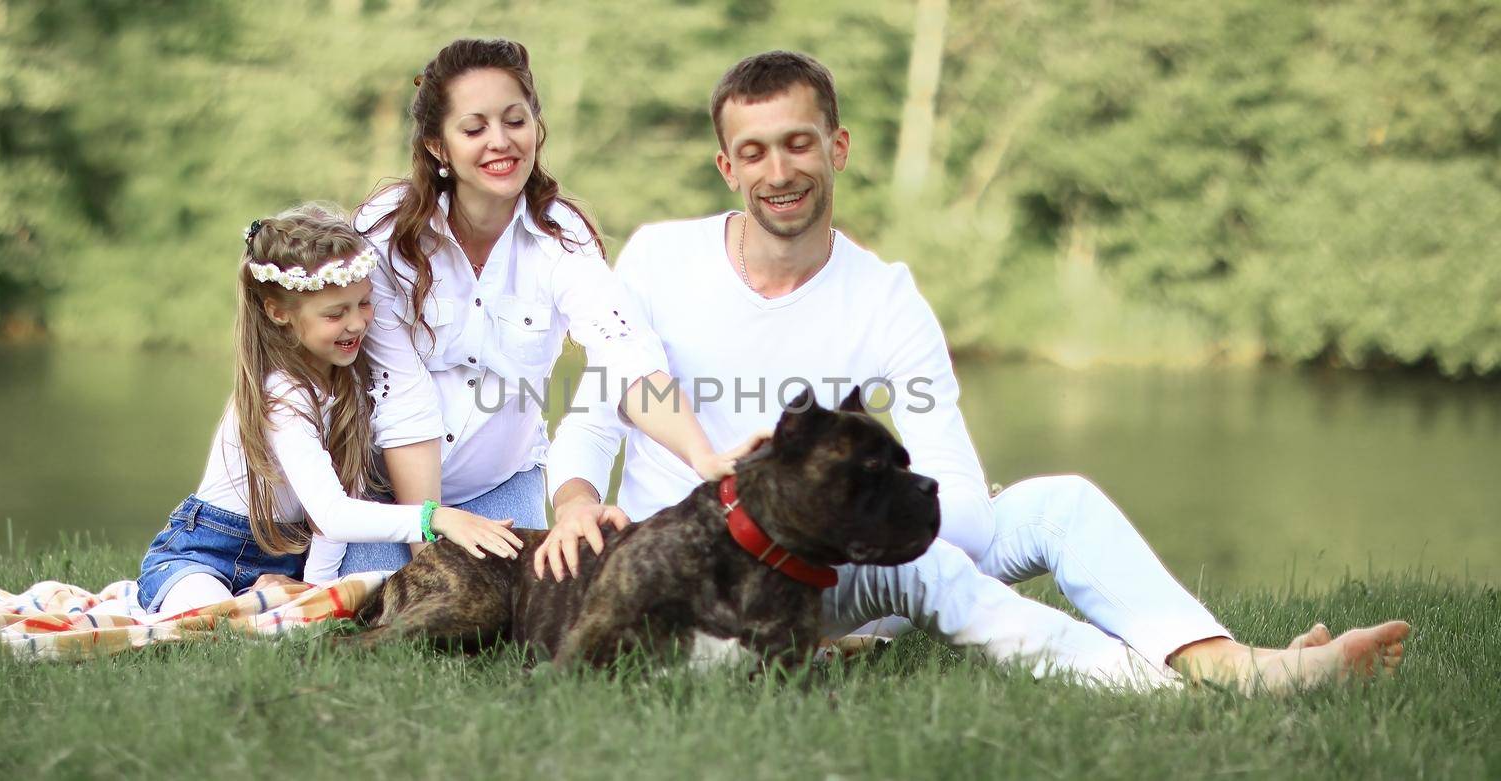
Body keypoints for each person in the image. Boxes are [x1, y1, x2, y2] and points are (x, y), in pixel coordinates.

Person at [538, 51, 1410, 693]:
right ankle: (1179, 692)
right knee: (935, 572)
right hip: (691, 564)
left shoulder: (885, 295)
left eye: (799, 143)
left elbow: (951, 485)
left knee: (1052, 505)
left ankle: (1227, 662)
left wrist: (867, 524)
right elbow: (592, 415)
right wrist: (575, 499)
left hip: (828, 566)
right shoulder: (658, 259)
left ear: (837, 147)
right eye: (755, 151)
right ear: (726, 166)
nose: (780, 171)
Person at [309, 38, 750, 581]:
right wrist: (429, 551)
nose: (500, 142)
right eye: (474, 129)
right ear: (438, 147)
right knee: (371, 603)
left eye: (515, 121)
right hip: (388, 497)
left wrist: (703, 458)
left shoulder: (561, 238)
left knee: (509, 627)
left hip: (504, 488)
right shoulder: (386, 234)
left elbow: (626, 354)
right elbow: (402, 397)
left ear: (536, 127)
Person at [136, 204, 511, 616]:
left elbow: (330, 510)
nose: (356, 324)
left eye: (364, 304)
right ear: (278, 312)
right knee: (209, 619)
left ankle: (262, 604)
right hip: (206, 552)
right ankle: (205, 601)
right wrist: (434, 518)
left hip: (284, 557)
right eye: (336, 313)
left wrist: (310, 585)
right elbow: (332, 515)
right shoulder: (281, 395)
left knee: (289, 619)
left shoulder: (345, 382)